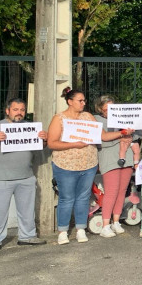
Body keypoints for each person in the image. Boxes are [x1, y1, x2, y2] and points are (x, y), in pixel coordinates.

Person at [0, 98, 48, 255]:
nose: (19, 113)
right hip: (1, 179)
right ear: (7, 111)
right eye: (15, 109)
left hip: (26, 177)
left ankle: (28, 236)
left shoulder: (30, 127)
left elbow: (40, 146)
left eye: (22, 110)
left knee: (27, 210)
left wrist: (44, 140)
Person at [46, 87, 100, 245]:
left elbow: (100, 135)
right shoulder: (59, 118)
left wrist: (121, 133)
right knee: (66, 198)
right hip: (66, 166)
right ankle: (63, 231)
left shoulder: (88, 116)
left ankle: (81, 228)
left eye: (84, 100)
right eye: (80, 100)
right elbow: (52, 143)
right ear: (70, 102)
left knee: (83, 198)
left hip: (88, 164)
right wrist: (74, 144)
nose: (84, 103)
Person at [94, 96, 142, 238]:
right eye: (107, 108)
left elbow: (136, 136)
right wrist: (122, 134)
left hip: (126, 157)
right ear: (100, 109)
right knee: (111, 191)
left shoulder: (124, 118)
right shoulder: (97, 120)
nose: (110, 110)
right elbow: (104, 137)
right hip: (109, 158)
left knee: (122, 191)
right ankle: (105, 225)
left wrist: (132, 131)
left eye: (113, 107)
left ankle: (116, 221)